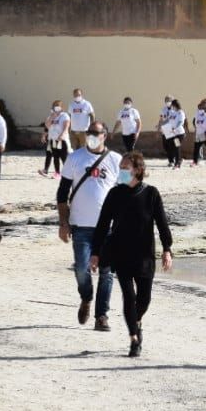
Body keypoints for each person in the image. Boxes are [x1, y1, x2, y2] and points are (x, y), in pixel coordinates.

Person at [91, 151, 173, 357]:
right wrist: (95, 252)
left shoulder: (151, 194)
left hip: (145, 255)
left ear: (137, 170)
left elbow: (162, 224)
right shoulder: (114, 194)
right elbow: (102, 225)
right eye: (120, 168)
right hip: (121, 253)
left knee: (144, 299)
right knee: (129, 297)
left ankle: (136, 322)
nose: (121, 172)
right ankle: (134, 339)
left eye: (125, 168)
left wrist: (167, 249)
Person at [58, 120, 123, 330]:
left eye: (96, 132)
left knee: (107, 273)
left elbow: (125, 194)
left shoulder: (115, 160)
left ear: (105, 135)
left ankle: (101, 316)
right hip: (81, 225)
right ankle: (86, 297)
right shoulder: (75, 158)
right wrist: (63, 223)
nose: (92, 135)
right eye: (89, 132)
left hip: (108, 228)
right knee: (81, 269)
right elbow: (62, 192)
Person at [42, 101, 70, 178]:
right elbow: (47, 126)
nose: (56, 107)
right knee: (55, 157)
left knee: (64, 157)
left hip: (62, 140)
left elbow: (66, 126)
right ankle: (57, 173)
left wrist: (63, 134)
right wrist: (52, 117)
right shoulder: (52, 116)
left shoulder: (65, 115)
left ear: (62, 107)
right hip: (53, 139)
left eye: (58, 106)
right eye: (55, 106)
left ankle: (69, 172)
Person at [159, 99, 187, 169]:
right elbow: (168, 120)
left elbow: (181, 122)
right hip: (173, 133)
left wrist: (175, 128)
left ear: (175, 105)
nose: (172, 107)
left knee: (176, 147)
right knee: (172, 147)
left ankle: (177, 164)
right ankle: (179, 160)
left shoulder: (181, 113)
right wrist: (161, 125)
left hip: (179, 133)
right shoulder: (172, 112)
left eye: (172, 105)